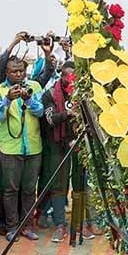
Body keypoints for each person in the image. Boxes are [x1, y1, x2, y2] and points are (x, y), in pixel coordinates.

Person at [0, 58, 46, 242]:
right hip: (10, 148)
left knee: (30, 190)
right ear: (6, 72)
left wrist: (28, 100)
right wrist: (7, 99)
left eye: (21, 71)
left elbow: (40, 112)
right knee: (11, 190)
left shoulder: (34, 86)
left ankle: (27, 226)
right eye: (14, 71)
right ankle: (12, 227)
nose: (18, 74)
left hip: (33, 147)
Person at [39, 61, 78, 243]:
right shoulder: (49, 95)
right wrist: (69, 114)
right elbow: (50, 119)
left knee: (80, 184)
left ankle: (83, 223)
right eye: (67, 77)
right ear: (61, 76)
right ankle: (60, 224)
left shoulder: (80, 93)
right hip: (56, 145)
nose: (70, 81)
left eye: (74, 78)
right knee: (58, 185)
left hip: (78, 142)